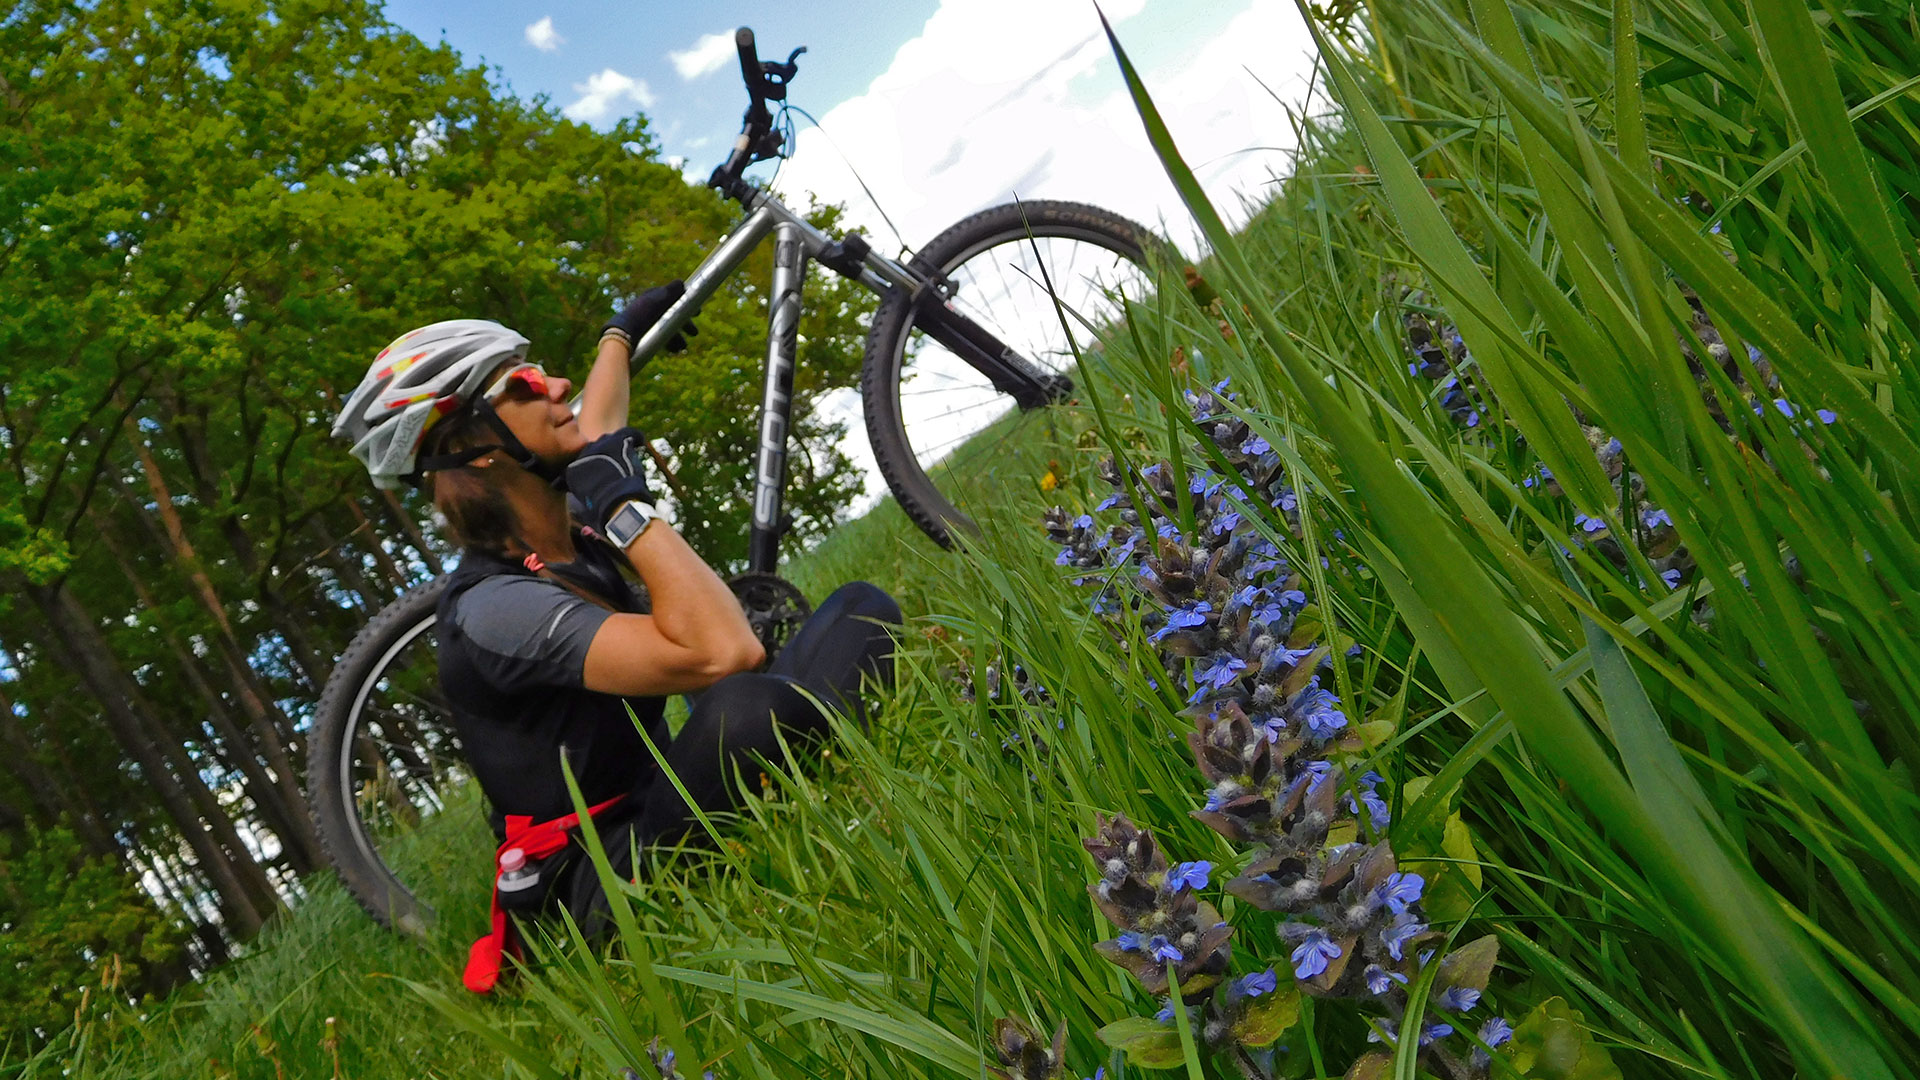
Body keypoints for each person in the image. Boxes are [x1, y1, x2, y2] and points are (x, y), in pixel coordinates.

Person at [331, 284, 902, 993]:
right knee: (749, 709)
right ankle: (811, 768)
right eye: (526, 384)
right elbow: (725, 653)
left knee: (859, 608)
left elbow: (594, 417)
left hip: (655, 804)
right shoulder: (494, 607)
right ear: (475, 449)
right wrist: (628, 509)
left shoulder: (557, 521)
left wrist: (620, 332)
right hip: (598, 896)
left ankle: (818, 776)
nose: (556, 384)